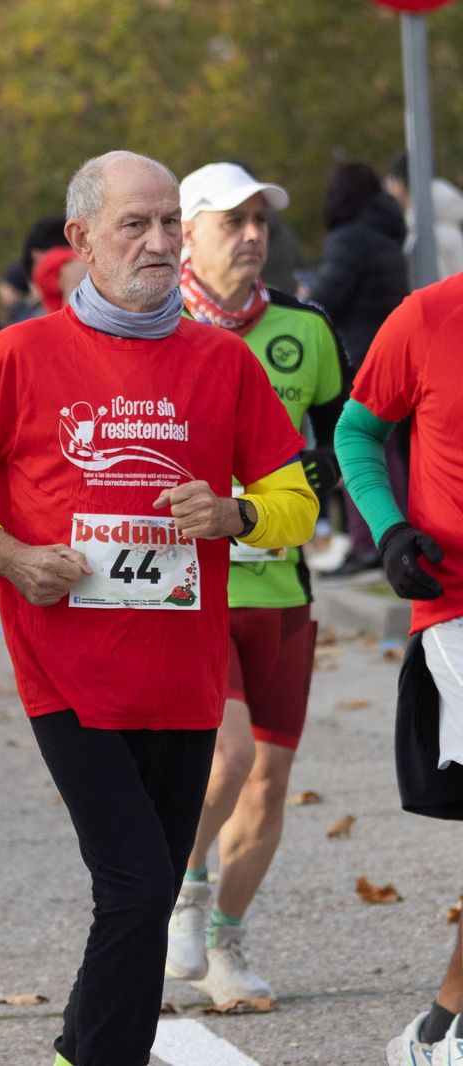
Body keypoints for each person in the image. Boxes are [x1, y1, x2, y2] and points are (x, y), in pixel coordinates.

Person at [0, 151, 315, 1066]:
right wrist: (6, 552)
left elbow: (298, 502)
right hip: (70, 677)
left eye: (170, 222)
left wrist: (234, 512)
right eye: (137, 225)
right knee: (133, 889)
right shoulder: (23, 353)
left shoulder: (221, 360)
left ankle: (73, 1050)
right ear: (82, 240)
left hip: (184, 680)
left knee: (145, 886)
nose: (161, 242)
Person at [165, 162, 350, 1008]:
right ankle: (180, 900)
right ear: (188, 234)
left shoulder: (304, 330)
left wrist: (322, 477)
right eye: (230, 222)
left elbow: (345, 440)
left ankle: (226, 946)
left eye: (260, 222)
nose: (250, 236)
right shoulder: (156, 330)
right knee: (223, 762)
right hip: (190, 594)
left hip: (284, 589)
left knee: (268, 781)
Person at [334, 271, 463, 1065]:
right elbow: (355, 433)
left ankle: (440, 1025)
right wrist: (387, 531)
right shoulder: (427, 317)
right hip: (457, 604)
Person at [311, 163, 410, 577]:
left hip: (359, 357)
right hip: (393, 353)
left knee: (358, 446)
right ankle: (395, 533)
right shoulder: (389, 236)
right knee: (392, 450)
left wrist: (304, 299)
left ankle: (370, 543)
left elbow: (327, 297)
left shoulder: (349, 238)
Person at [385, 151, 463, 281]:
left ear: (400, 184)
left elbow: (433, 291)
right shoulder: (446, 225)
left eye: (390, 182)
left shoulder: (427, 236)